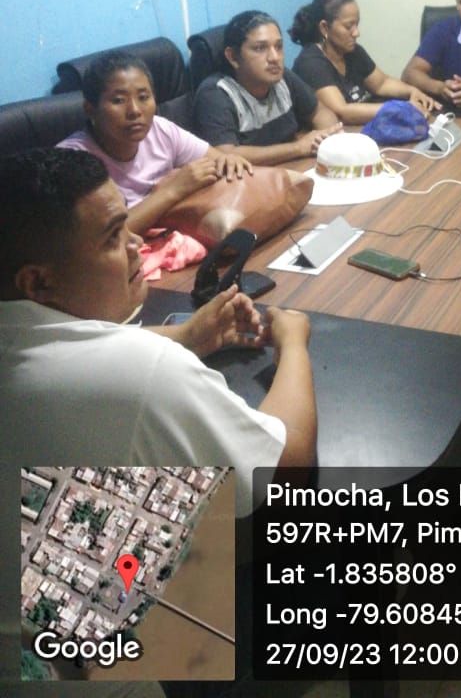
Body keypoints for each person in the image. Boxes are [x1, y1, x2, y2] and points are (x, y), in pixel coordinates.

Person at [0, 147, 317, 690]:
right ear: (38, 283)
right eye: (112, 236)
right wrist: (294, 342)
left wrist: (185, 336)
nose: (137, 245)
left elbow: (53, 350)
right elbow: (285, 467)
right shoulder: (142, 373)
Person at [57, 50, 252, 237]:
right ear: (90, 109)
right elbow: (105, 238)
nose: (135, 110)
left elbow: (219, 161)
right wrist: (172, 190)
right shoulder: (73, 160)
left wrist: (229, 162)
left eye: (143, 97)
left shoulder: (160, 129)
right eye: (118, 100)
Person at [192, 9, 341, 163]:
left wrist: (325, 137)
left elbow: (319, 111)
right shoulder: (216, 92)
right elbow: (226, 154)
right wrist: (298, 148)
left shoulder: (282, 77)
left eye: (279, 46)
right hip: (253, 175)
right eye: (260, 48)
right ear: (233, 57)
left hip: (293, 167)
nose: (275, 57)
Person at [290, 0, 440, 123]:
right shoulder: (310, 63)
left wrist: (412, 91)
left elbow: (381, 83)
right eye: (348, 26)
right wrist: (399, 109)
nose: (356, 33)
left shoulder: (352, 51)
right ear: (324, 28)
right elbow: (342, 112)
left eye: (357, 24)